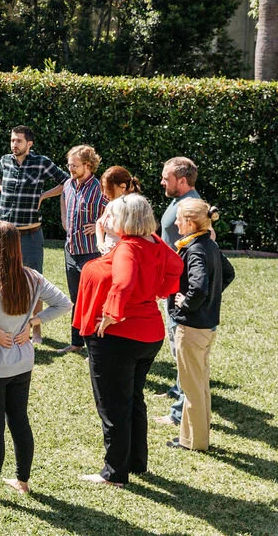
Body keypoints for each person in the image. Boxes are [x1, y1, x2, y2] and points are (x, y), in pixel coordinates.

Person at [73, 194, 183, 486]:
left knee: (112, 406)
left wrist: (110, 314)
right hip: (148, 334)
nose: (106, 219)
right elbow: (176, 266)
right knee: (133, 400)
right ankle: (136, 462)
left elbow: (123, 281)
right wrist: (158, 289)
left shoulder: (128, 248)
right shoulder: (153, 241)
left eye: (110, 215)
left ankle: (114, 473)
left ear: (125, 219)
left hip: (119, 336)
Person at [0, 221, 72, 502]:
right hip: (22, 364)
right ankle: (22, 482)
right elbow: (64, 303)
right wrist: (34, 322)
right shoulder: (32, 277)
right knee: (19, 421)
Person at [164, 199, 235, 451]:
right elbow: (228, 273)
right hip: (206, 325)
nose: (175, 223)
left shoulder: (194, 249)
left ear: (191, 223)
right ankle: (189, 437)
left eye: (179, 219)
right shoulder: (209, 244)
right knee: (199, 384)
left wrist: (187, 303)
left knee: (192, 387)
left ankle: (196, 442)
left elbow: (198, 286)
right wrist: (210, 298)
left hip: (192, 327)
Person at [0, 125, 67, 343]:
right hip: (5, 235)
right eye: (12, 140)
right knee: (0, 278)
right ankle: (2, 324)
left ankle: (36, 331)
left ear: (29, 144)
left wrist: (44, 196)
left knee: (34, 282)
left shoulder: (41, 162)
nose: (14, 145)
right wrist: (0, 188)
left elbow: (65, 181)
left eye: (19, 141)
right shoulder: (5, 161)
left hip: (30, 233)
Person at [157, 156, 202, 414]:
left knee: (181, 345)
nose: (162, 181)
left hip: (181, 287)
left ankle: (179, 411)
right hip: (171, 282)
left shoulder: (192, 207)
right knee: (176, 342)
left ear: (182, 181)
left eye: (167, 178)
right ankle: (178, 388)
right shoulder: (178, 201)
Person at [57, 145, 108, 355]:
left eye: (75, 165)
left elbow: (116, 208)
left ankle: (95, 347)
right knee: (75, 298)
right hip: (71, 249)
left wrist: (100, 224)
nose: (71, 168)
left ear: (88, 165)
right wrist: (64, 221)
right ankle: (76, 342)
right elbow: (63, 200)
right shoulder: (68, 184)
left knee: (94, 301)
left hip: (91, 252)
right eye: (69, 164)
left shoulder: (100, 188)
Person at [95, 166, 141, 254]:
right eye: (103, 188)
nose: (104, 193)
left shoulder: (135, 207)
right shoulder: (110, 205)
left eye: (108, 188)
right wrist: (100, 243)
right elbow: (99, 223)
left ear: (123, 187)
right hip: (107, 256)